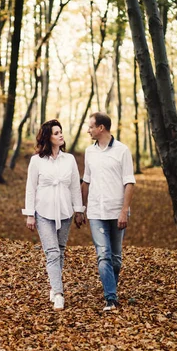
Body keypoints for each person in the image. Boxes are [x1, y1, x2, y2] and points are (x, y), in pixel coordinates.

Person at [75, 112, 136, 311]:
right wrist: (81, 209)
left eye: (91, 126)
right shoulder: (89, 152)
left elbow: (129, 182)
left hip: (116, 211)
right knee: (103, 255)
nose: (88, 130)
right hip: (95, 212)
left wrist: (124, 210)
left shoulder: (122, 151)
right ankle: (110, 298)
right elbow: (86, 181)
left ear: (101, 128)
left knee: (116, 259)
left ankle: (111, 287)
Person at [22, 119, 85, 311]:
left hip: (65, 211)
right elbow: (31, 188)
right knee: (52, 253)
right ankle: (58, 293)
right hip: (43, 212)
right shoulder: (36, 161)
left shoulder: (70, 159)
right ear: (48, 137)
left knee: (60, 250)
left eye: (61, 131)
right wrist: (30, 214)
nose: (60, 135)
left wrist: (79, 210)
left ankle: (53, 283)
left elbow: (75, 186)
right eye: (56, 132)